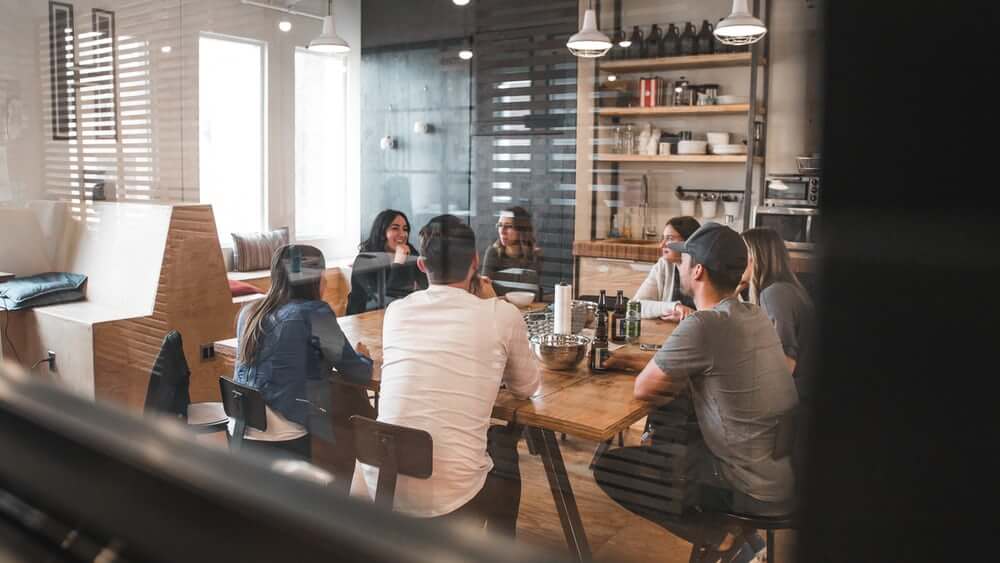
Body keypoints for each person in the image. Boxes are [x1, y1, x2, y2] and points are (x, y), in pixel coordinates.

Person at [594, 222, 799, 563]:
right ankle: (738, 541)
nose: (682, 264)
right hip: (780, 471)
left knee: (611, 467)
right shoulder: (753, 314)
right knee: (675, 425)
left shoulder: (704, 325)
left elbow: (644, 388)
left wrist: (623, 364)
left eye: (686, 258)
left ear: (698, 270)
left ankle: (720, 537)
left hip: (746, 485)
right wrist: (626, 359)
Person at [363, 214, 540, 535]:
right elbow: (527, 387)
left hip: (382, 482)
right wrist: (493, 302)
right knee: (504, 452)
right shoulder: (501, 314)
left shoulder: (397, 312)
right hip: (451, 496)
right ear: (475, 263)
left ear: (421, 265)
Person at [233, 244, 374, 462]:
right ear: (315, 278)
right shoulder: (314, 313)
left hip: (242, 429)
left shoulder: (249, 313)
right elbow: (357, 372)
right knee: (347, 409)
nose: (326, 281)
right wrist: (364, 356)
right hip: (284, 435)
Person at [740, 227, 816, 401]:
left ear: (755, 257)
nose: (735, 262)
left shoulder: (775, 294)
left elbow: (785, 364)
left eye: (740, 255)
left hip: (798, 395)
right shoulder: (786, 288)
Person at [347, 209, 429, 315]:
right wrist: (399, 263)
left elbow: (426, 286)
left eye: (405, 229)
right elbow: (386, 299)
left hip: (399, 316)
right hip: (364, 319)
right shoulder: (364, 260)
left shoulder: (410, 252)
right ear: (381, 232)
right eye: (395, 228)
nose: (402, 234)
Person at [632, 216, 700, 321]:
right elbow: (635, 306)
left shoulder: (704, 269)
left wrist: (689, 316)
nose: (661, 245)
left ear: (689, 241)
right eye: (663, 238)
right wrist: (675, 307)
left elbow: (715, 316)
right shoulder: (663, 265)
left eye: (669, 238)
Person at [481, 206, 542, 296]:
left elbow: (537, 294)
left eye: (508, 226)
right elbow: (484, 290)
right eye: (500, 225)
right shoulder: (493, 253)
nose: (502, 231)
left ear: (521, 230)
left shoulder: (535, 256)